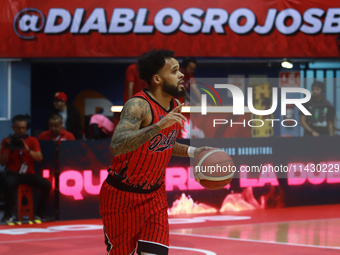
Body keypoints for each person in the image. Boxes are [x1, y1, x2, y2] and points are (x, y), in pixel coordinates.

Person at [99, 49, 211, 255]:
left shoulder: (176, 104)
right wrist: (158, 125)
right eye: (175, 71)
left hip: (155, 196)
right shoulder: (138, 105)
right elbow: (117, 144)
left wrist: (195, 151)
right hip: (121, 196)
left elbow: (164, 143)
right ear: (158, 78)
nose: (181, 75)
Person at [0, 115, 51, 225]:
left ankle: (39, 214)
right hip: (12, 173)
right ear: (13, 128)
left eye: (24, 128)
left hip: (28, 174)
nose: (22, 130)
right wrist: (8, 148)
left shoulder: (32, 140)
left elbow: (39, 157)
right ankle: (8, 215)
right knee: (8, 183)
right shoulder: (6, 141)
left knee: (46, 185)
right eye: (19, 128)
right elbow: (2, 162)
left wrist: (27, 150)